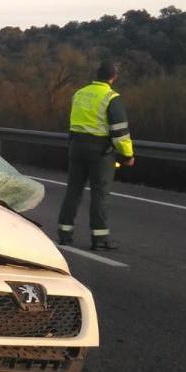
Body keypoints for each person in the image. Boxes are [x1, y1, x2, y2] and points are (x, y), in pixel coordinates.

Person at [57, 60, 134, 250]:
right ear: (113, 77)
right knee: (100, 194)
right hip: (99, 151)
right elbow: (120, 133)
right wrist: (127, 156)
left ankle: (64, 234)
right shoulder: (111, 98)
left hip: (76, 146)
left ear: (96, 75)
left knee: (73, 191)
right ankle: (99, 238)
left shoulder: (79, 94)